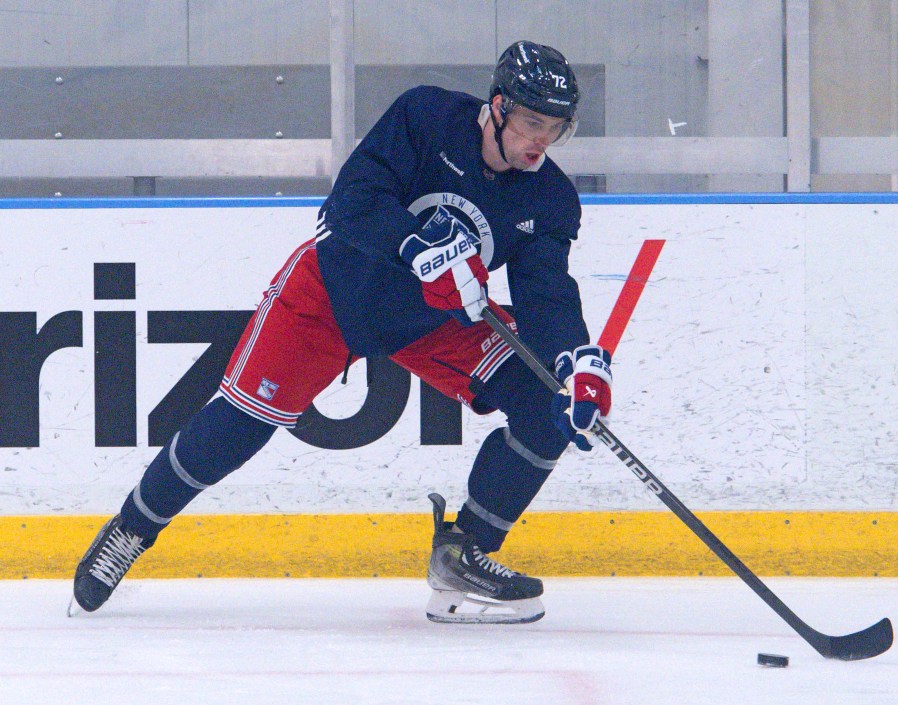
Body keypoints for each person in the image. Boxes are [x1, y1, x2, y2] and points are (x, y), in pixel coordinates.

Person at [71, 40, 613, 625]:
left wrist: (573, 363)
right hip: (334, 289)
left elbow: (546, 293)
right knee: (240, 424)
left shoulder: (551, 196)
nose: (541, 141)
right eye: (532, 122)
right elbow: (349, 203)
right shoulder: (426, 116)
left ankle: (462, 554)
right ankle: (131, 530)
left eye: (555, 129)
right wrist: (419, 249)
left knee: (542, 405)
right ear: (500, 106)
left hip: (432, 321)